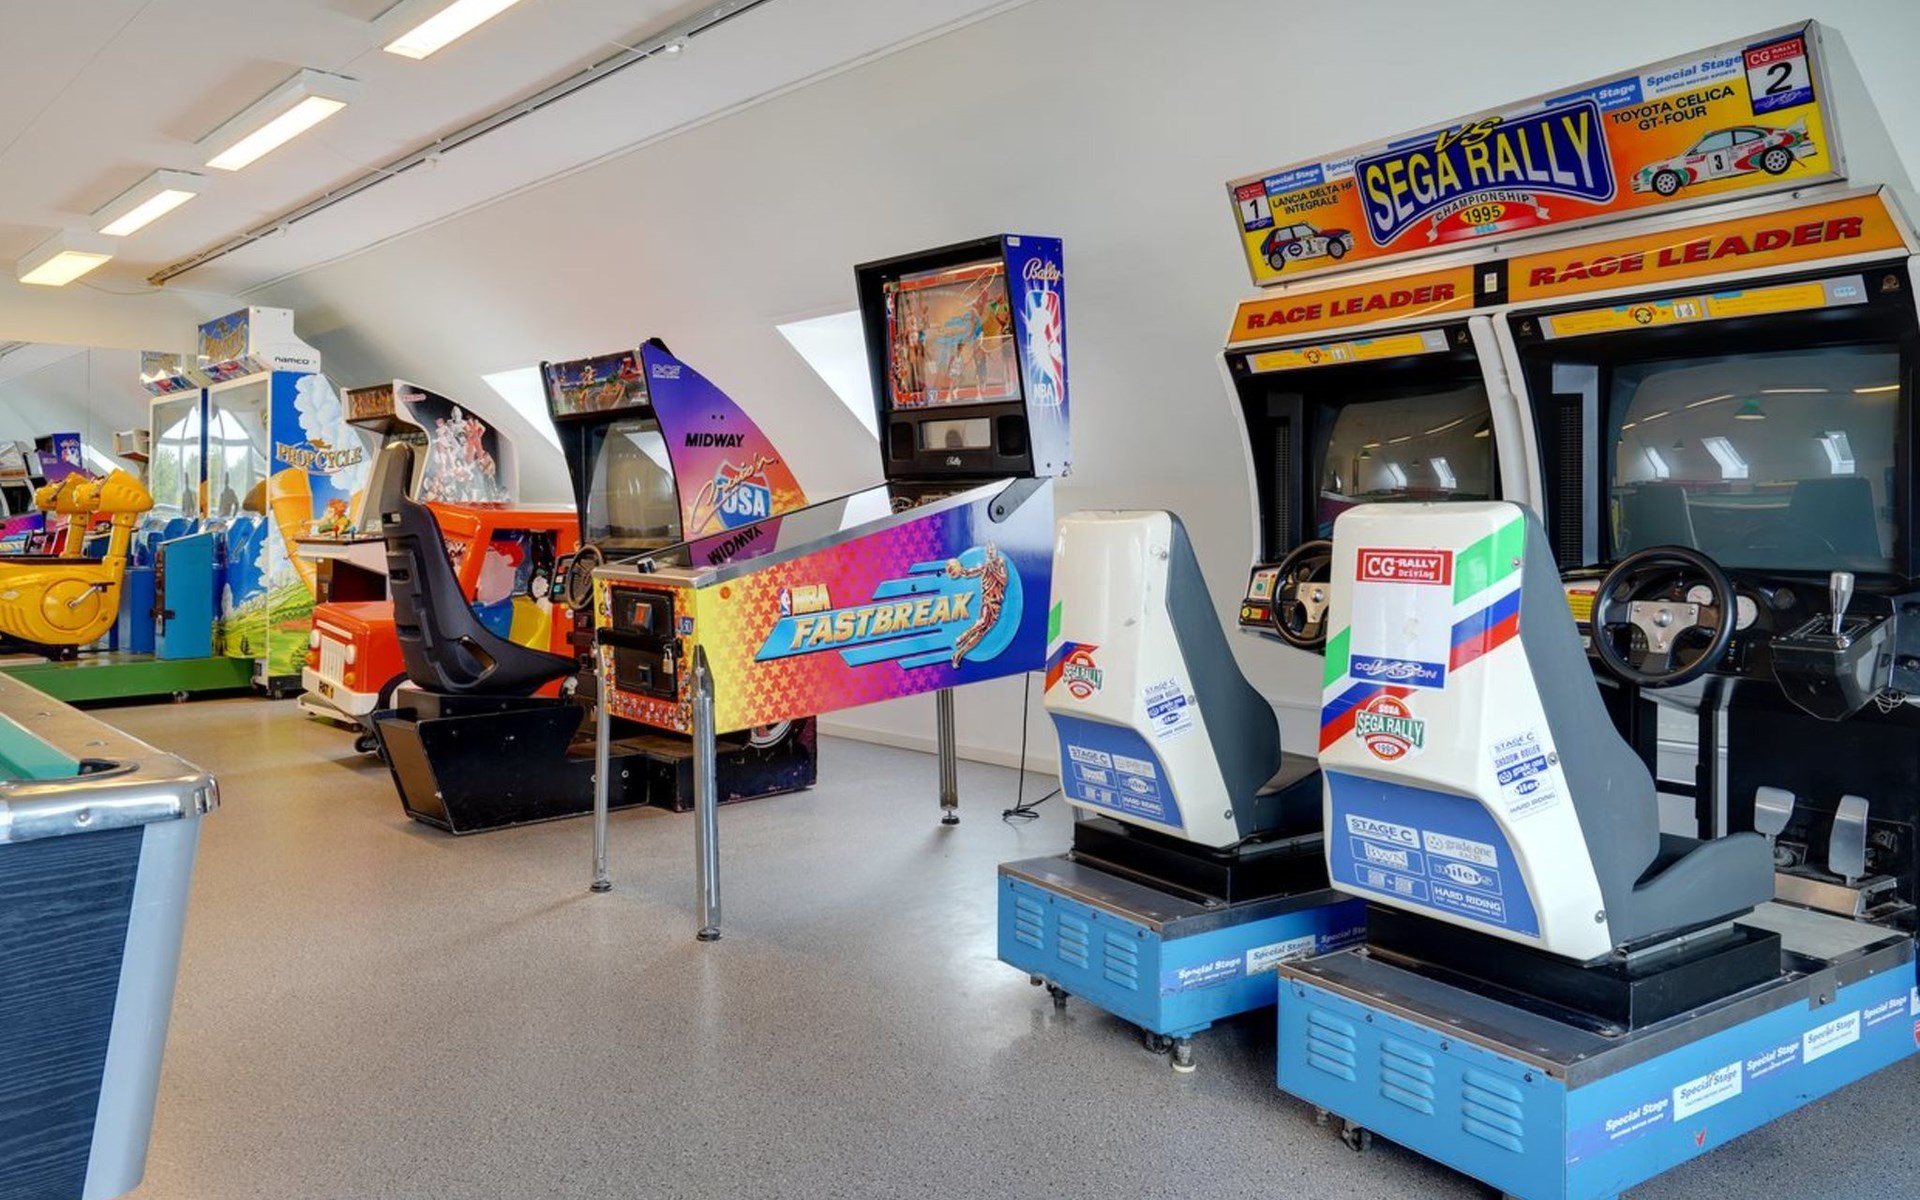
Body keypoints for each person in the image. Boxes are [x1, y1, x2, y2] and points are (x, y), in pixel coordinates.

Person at [944, 542, 1007, 668]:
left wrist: (993, 570)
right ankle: (963, 636)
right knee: (982, 621)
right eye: (988, 550)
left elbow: (1004, 580)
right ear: (986, 553)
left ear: (995, 551)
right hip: (987, 601)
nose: (990, 552)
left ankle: (959, 654)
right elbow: (970, 572)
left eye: (992, 550)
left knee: (980, 634)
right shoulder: (985, 567)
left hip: (997, 604)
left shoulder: (1000, 563)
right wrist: (960, 570)